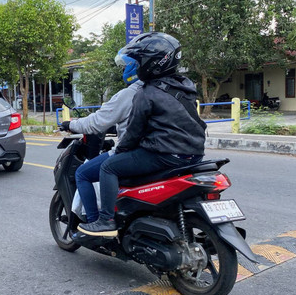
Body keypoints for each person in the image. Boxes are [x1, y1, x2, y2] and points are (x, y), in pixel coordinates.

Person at [78, 32, 207, 237]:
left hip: (163, 155)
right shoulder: (185, 87)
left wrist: (120, 151)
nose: (137, 67)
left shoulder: (145, 93)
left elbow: (133, 133)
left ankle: (105, 220)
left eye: (140, 62)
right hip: (194, 153)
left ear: (151, 63)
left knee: (109, 167)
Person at [59, 50, 143, 223]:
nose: (123, 70)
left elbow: (96, 122)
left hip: (137, 153)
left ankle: (97, 222)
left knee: (83, 173)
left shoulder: (130, 94)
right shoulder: (164, 91)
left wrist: (70, 124)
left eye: (125, 66)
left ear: (134, 67)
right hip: (171, 153)